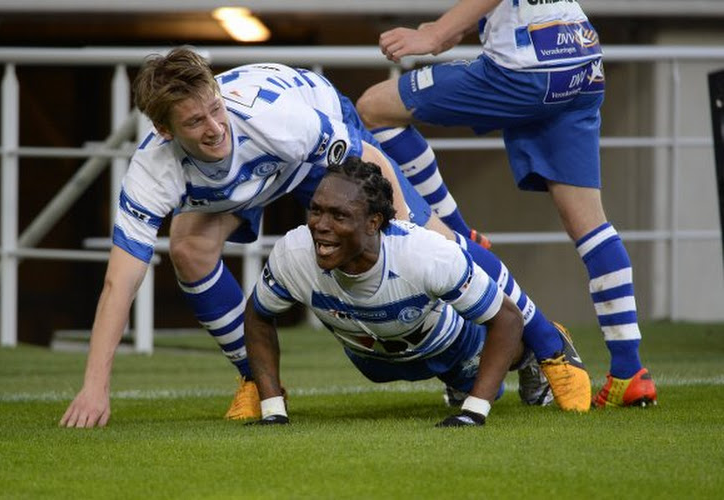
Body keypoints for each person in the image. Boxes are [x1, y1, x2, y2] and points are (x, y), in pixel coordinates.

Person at [59, 46, 476, 429]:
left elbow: (367, 159)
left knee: (425, 240)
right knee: (189, 248)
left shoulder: (272, 117)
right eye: (194, 121)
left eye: (214, 109)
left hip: (304, 147)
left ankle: (534, 344)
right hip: (249, 176)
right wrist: (94, 386)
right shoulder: (151, 170)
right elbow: (120, 281)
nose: (214, 127)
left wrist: (404, 226)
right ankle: (256, 381)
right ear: (165, 131)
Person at [355, 0, 657, 408]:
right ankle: (629, 371)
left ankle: (454, 232)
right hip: (580, 57)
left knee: (375, 108)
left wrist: (438, 32)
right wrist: (455, 28)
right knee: (591, 225)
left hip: (527, 66)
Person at [244, 158, 586, 426]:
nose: (320, 225)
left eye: (339, 215)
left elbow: (508, 318)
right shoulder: (294, 253)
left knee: (483, 380)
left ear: (373, 222)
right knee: (382, 369)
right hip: (375, 359)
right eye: (316, 210)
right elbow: (258, 314)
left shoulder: (424, 254)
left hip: (449, 344)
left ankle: (530, 355)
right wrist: (273, 408)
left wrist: (474, 411)